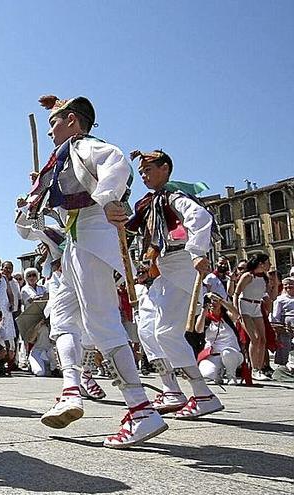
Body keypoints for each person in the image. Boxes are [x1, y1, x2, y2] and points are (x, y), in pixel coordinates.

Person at [23, 95, 165, 447]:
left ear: (72, 120)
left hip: (93, 233)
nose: (51, 131)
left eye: (54, 123)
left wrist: (109, 199)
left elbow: (117, 165)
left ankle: (140, 410)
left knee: (102, 323)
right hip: (75, 240)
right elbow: (35, 216)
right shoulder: (62, 159)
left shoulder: (87, 146)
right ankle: (71, 388)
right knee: (63, 319)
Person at [126, 149, 223, 418]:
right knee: (146, 328)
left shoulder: (174, 196)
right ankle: (171, 389)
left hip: (181, 266)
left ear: (165, 168)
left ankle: (203, 393)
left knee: (166, 333)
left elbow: (200, 219)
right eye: (142, 171)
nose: (144, 175)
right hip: (164, 270)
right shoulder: (149, 202)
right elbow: (131, 229)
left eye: (149, 169)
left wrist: (197, 253)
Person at [233, 253, 271, 381]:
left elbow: (267, 294)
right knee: (254, 339)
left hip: (257, 306)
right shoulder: (248, 276)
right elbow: (236, 293)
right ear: (261, 264)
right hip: (245, 306)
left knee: (263, 339)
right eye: (267, 262)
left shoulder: (264, 277)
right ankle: (254, 369)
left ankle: (259, 369)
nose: (269, 265)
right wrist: (236, 311)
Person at [193, 294, 244, 384]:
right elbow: (198, 330)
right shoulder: (205, 318)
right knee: (207, 374)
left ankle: (231, 376)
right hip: (213, 355)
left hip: (233, 354)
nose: (212, 303)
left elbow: (236, 314)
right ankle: (218, 374)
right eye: (210, 301)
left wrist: (221, 300)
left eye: (215, 301)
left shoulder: (227, 316)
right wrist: (203, 311)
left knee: (227, 353)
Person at [271, 277, 294, 375]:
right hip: (286, 325)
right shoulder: (280, 299)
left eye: (291, 285)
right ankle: (283, 365)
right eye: (286, 285)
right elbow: (276, 314)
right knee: (285, 345)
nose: (289, 287)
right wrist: (278, 326)